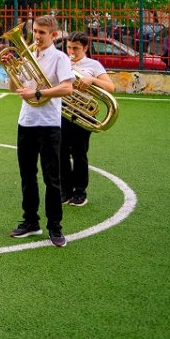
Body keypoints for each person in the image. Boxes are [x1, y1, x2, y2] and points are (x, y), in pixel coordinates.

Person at [2, 15, 74, 248]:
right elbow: (15, 87)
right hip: (26, 122)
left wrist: (39, 94)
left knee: (52, 179)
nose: (37, 36)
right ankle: (31, 221)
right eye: (34, 31)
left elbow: (67, 87)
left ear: (53, 35)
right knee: (27, 176)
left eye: (42, 32)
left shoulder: (60, 58)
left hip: (49, 124)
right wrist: (12, 71)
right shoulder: (28, 56)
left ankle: (55, 226)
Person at [60, 32, 115, 207]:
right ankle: (65, 191)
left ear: (85, 48)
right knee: (60, 153)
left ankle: (80, 192)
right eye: (69, 47)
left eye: (75, 48)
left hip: (83, 113)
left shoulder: (93, 65)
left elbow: (110, 87)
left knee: (79, 154)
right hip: (61, 111)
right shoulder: (62, 61)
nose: (71, 51)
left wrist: (91, 79)